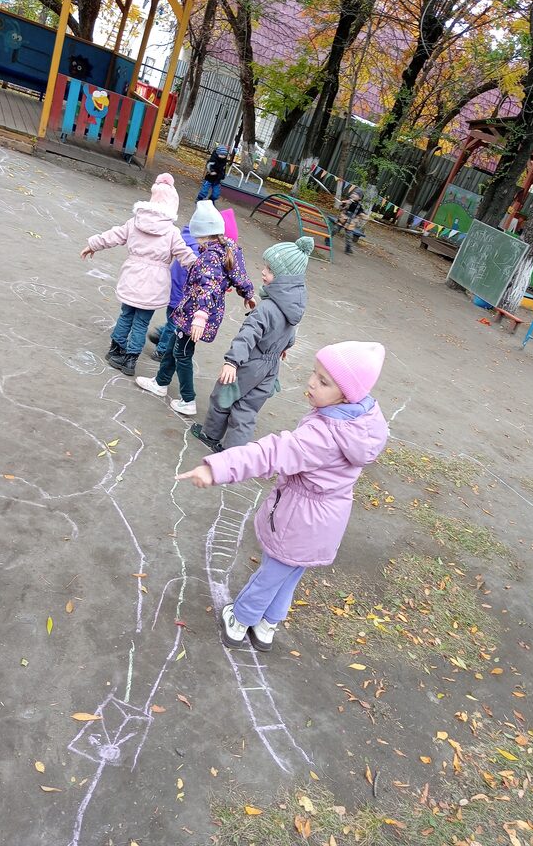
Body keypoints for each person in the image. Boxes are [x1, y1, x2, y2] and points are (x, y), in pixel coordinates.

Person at [177, 341, 389, 652]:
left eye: (324, 381)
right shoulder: (359, 422)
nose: (311, 382)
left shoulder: (323, 436)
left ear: (346, 394)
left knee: (271, 574)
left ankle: (239, 622)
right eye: (315, 374)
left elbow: (272, 453)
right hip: (326, 521)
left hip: (299, 519)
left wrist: (218, 468)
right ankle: (267, 627)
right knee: (288, 574)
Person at [191, 236, 312, 453]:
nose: (263, 272)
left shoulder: (266, 309)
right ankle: (234, 452)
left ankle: (210, 434)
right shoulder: (292, 307)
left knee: (223, 396)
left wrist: (232, 362)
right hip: (271, 368)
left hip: (250, 364)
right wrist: (283, 348)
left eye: (270, 270)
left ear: (284, 279)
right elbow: (290, 334)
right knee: (246, 409)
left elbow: (248, 336)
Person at [135, 201, 255, 416]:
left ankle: (188, 399)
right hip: (195, 313)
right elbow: (240, 275)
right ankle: (160, 382)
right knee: (174, 344)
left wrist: (199, 317)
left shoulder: (209, 257)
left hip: (196, 315)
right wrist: (248, 293)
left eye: (198, 237)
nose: (196, 241)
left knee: (182, 353)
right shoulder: (229, 247)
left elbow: (207, 287)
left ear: (204, 233)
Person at [81, 173, 196, 377]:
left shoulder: (135, 222)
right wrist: (202, 271)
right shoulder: (171, 232)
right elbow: (185, 255)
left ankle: (115, 350)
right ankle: (130, 359)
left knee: (126, 314)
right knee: (141, 322)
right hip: (154, 284)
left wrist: (93, 245)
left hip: (132, 277)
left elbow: (114, 235)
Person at [147, 209, 239, 362]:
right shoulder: (204, 253)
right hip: (182, 292)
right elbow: (207, 277)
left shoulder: (196, 240)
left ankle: (161, 333)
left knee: (174, 321)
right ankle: (162, 350)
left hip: (177, 288)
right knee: (175, 322)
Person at [333, 189, 370, 255]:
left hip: (350, 223)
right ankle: (328, 238)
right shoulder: (347, 202)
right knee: (335, 230)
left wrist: (365, 216)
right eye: (353, 193)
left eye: (356, 194)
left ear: (360, 198)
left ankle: (348, 248)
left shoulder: (359, 206)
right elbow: (341, 207)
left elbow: (361, 213)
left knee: (349, 236)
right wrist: (342, 204)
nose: (353, 195)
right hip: (343, 219)